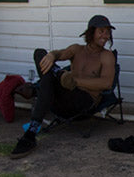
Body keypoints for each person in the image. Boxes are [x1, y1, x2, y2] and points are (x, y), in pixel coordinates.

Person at [10, 15, 119, 157]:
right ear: (91, 33)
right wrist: (52, 55)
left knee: (47, 81)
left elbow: (106, 83)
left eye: (107, 32)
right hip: (59, 100)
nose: (105, 36)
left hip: (83, 101)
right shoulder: (76, 49)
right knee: (40, 53)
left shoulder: (106, 56)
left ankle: (32, 131)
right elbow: (59, 54)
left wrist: (75, 81)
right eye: (101, 31)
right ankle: (56, 74)